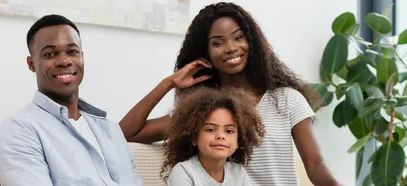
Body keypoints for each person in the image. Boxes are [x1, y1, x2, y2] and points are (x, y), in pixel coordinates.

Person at [120, 2, 342, 185]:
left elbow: (315, 165)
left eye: (238, 38)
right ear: (205, 52)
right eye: (218, 43)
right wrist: (168, 83)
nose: (231, 48)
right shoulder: (202, 111)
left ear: (251, 42)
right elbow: (123, 135)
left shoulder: (287, 99)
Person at [0, 14, 143, 186]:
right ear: (31, 64)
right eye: (50, 54)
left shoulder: (110, 128)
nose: (64, 61)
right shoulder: (18, 132)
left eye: (72, 52)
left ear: (82, 57)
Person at [161, 87, 264, 186]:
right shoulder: (184, 172)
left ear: (238, 141)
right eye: (210, 129)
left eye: (229, 131)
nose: (220, 136)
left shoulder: (238, 173)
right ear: (194, 137)